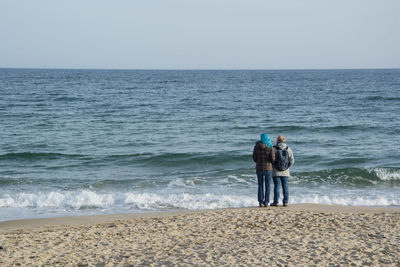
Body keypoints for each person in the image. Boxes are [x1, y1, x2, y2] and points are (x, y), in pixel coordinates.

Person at [252, 133, 275, 207]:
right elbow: (272, 159)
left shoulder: (256, 146)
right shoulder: (270, 147)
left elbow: (254, 158)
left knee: (260, 185)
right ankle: (266, 202)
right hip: (268, 169)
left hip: (259, 168)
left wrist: (258, 162)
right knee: (268, 185)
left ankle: (260, 202)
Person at [271, 135, 294, 207]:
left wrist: (273, 166)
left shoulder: (273, 149)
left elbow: (271, 160)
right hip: (285, 171)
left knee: (277, 186)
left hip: (275, 171)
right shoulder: (288, 149)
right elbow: (292, 161)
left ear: (277, 140)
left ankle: (276, 202)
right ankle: (285, 202)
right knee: (285, 186)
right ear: (284, 140)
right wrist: (287, 167)